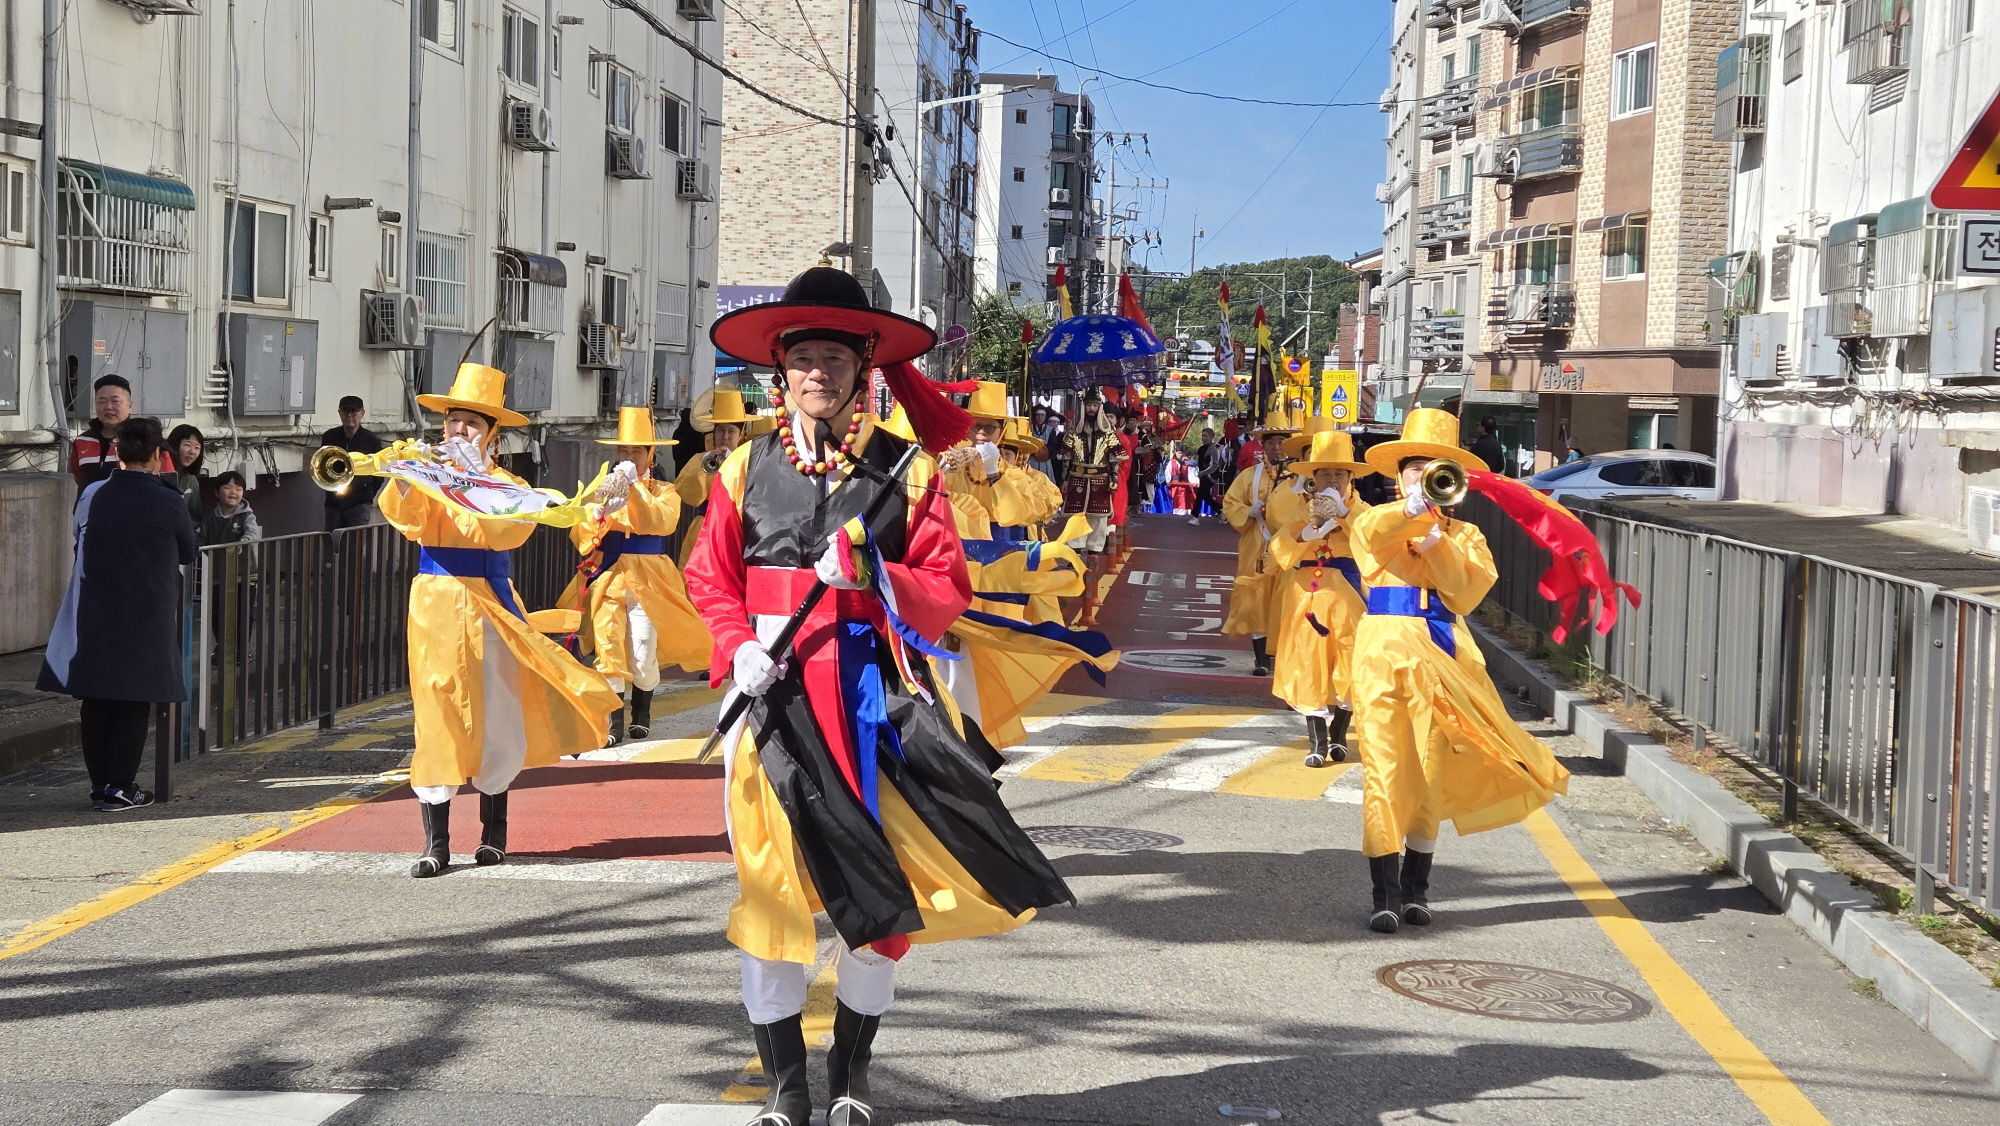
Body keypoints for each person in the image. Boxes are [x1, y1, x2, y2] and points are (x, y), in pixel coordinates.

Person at [689, 266, 1072, 1126]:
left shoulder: (909, 473)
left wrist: (874, 569)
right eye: (803, 358)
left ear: (864, 368)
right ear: (779, 370)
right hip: (770, 706)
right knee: (771, 895)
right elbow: (708, 577)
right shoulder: (742, 469)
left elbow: (947, 587)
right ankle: (787, 1088)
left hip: (870, 707)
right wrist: (737, 643)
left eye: (834, 357)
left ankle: (851, 1071)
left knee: (878, 904)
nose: (817, 372)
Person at [381, 363, 623, 879]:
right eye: (453, 422)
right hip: (437, 603)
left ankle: (493, 833)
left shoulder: (507, 483)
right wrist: (406, 475)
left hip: (489, 599)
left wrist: (475, 481)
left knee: (498, 707)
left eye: (471, 424)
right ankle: (435, 842)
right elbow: (408, 521)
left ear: (493, 434)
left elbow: (506, 535)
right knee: (437, 707)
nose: (458, 432)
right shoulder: (430, 472)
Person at [1348, 408, 1570, 933]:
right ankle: (1383, 894)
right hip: (1381, 653)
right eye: (1413, 467)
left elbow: (1466, 592)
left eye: (1435, 469)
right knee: (1382, 771)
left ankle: (1416, 891)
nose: (1422, 476)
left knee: (1428, 772)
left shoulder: (1466, 535)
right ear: (1397, 474)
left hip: (1442, 655)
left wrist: (1438, 544)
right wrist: (1412, 511)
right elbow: (1371, 535)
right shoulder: (1374, 519)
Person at [40, 417, 197, 811]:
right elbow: (188, 551)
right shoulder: (170, 499)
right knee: (133, 697)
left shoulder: (93, 492)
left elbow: (81, 536)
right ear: (160, 456)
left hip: (94, 603)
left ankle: (100, 787)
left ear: (118, 453)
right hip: (146, 609)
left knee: (95, 697)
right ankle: (121, 788)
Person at [560, 407, 712, 743]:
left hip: (649, 580)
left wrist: (635, 488)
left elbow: (661, 522)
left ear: (650, 454)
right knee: (608, 648)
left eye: (636, 451)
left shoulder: (663, 490)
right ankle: (613, 723)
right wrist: (598, 513)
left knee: (643, 651)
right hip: (609, 575)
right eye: (624, 451)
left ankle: (641, 709)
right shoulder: (603, 485)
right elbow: (580, 535)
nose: (629, 457)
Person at [1268, 429, 1373, 768]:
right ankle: (1317, 739)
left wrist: (1345, 515)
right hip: (1307, 593)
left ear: (1350, 476)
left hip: (1349, 592)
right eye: (1324, 472)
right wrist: (1308, 529)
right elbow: (1280, 546)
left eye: (1339, 473)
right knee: (1306, 662)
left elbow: (1377, 540)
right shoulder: (1299, 503)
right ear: (1313, 476)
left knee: (1353, 662)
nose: (1331, 479)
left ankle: (1340, 730)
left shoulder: (1364, 509)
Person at [1220, 413, 1299, 676]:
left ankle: (1286, 656)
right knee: (1255, 602)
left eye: (1281, 441)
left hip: (1288, 548)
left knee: (1287, 600)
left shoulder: (1299, 476)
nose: (1276, 447)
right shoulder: (1249, 476)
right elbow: (1230, 503)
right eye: (1271, 442)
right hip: (1257, 545)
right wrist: (1250, 510)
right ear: (1262, 445)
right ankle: (1262, 660)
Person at [674, 388, 753, 569]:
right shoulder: (701, 458)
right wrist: (703, 466)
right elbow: (685, 493)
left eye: (731, 431)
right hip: (704, 526)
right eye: (720, 431)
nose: (725, 437)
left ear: (741, 434)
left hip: (736, 527)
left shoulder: (748, 460)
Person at [70, 375, 175, 495]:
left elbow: (168, 483)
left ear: (130, 405)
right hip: (90, 511)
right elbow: (78, 479)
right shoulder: (82, 441)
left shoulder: (147, 439)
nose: (108, 407)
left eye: (115, 401)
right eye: (102, 401)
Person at [1060, 391, 1125, 558]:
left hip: (1100, 477)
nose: (1091, 409)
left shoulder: (1108, 432)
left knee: (1099, 516)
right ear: (1084, 407)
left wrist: (1115, 479)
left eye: (1095, 405)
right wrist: (1064, 479)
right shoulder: (1074, 431)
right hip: (1077, 477)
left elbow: (1115, 457)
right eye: (1089, 405)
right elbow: (1066, 456)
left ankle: (1094, 549)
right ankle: (1074, 548)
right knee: (1076, 515)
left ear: (1099, 408)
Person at [322, 395, 386, 532]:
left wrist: (367, 494)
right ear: (340, 414)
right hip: (333, 503)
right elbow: (322, 466)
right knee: (331, 544)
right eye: (345, 411)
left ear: (362, 414)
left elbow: (379, 473)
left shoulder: (371, 440)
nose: (349, 415)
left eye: (354, 411)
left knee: (354, 546)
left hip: (359, 504)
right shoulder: (329, 436)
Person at [201, 471, 263, 545]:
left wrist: (243, 542)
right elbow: (201, 542)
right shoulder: (209, 519)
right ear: (217, 492)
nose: (233, 492)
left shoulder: (246, 516)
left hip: (240, 556)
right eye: (227, 488)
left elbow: (253, 533)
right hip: (215, 556)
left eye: (238, 489)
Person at [166, 424, 206, 525]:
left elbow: (195, 516)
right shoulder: (159, 474)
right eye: (187, 445)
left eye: (197, 447)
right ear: (174, 445)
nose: (192, 452)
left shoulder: (191, 480)